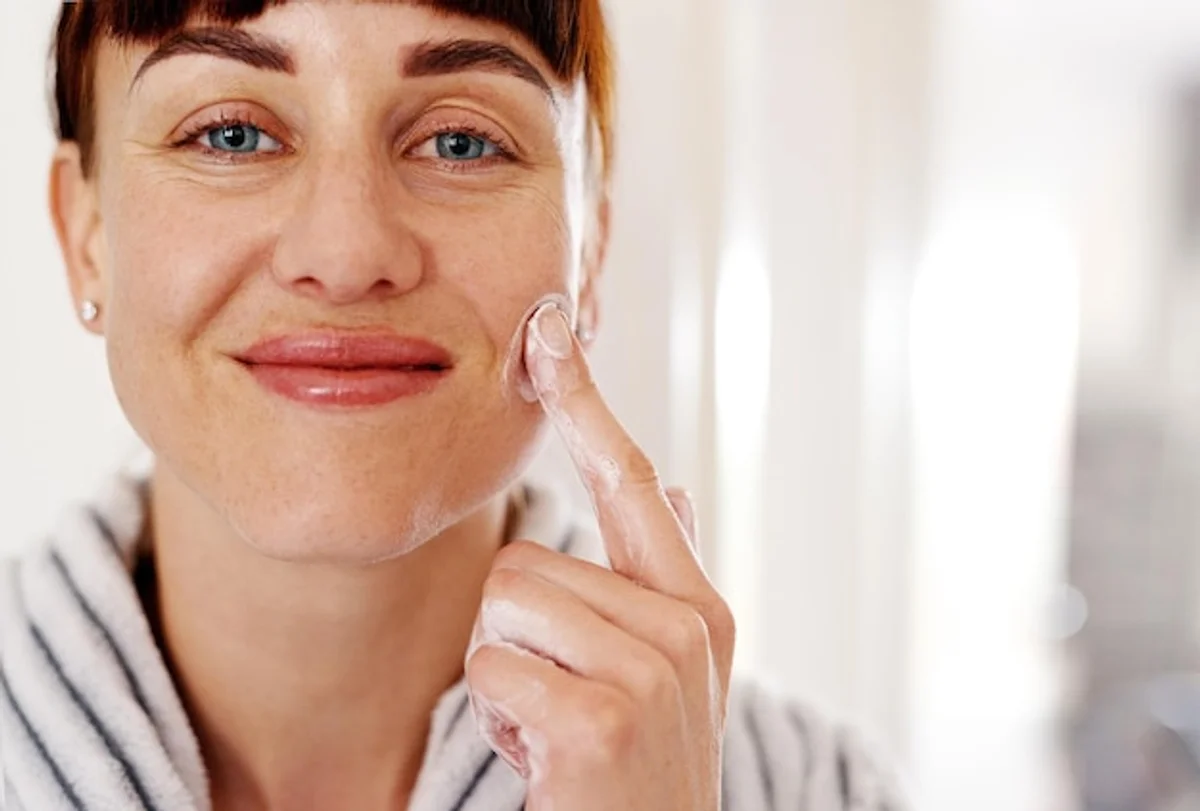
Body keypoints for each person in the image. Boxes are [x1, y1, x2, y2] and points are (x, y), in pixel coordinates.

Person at [0, 2, 909, 809]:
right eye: (232, 134)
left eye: (460, 142)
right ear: (85, 235)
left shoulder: (818, 791)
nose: (349, 253)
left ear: (588, 251)